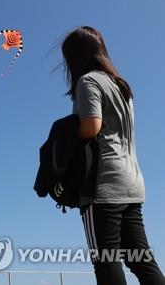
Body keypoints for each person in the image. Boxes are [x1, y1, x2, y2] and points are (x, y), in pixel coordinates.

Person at [61, 26, 165, 285]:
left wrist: (63, 133)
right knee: (141, 259)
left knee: (105, 260)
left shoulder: (88, 81)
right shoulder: (122, 87)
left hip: (104, 185)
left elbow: (91, 127)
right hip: (132, 182)